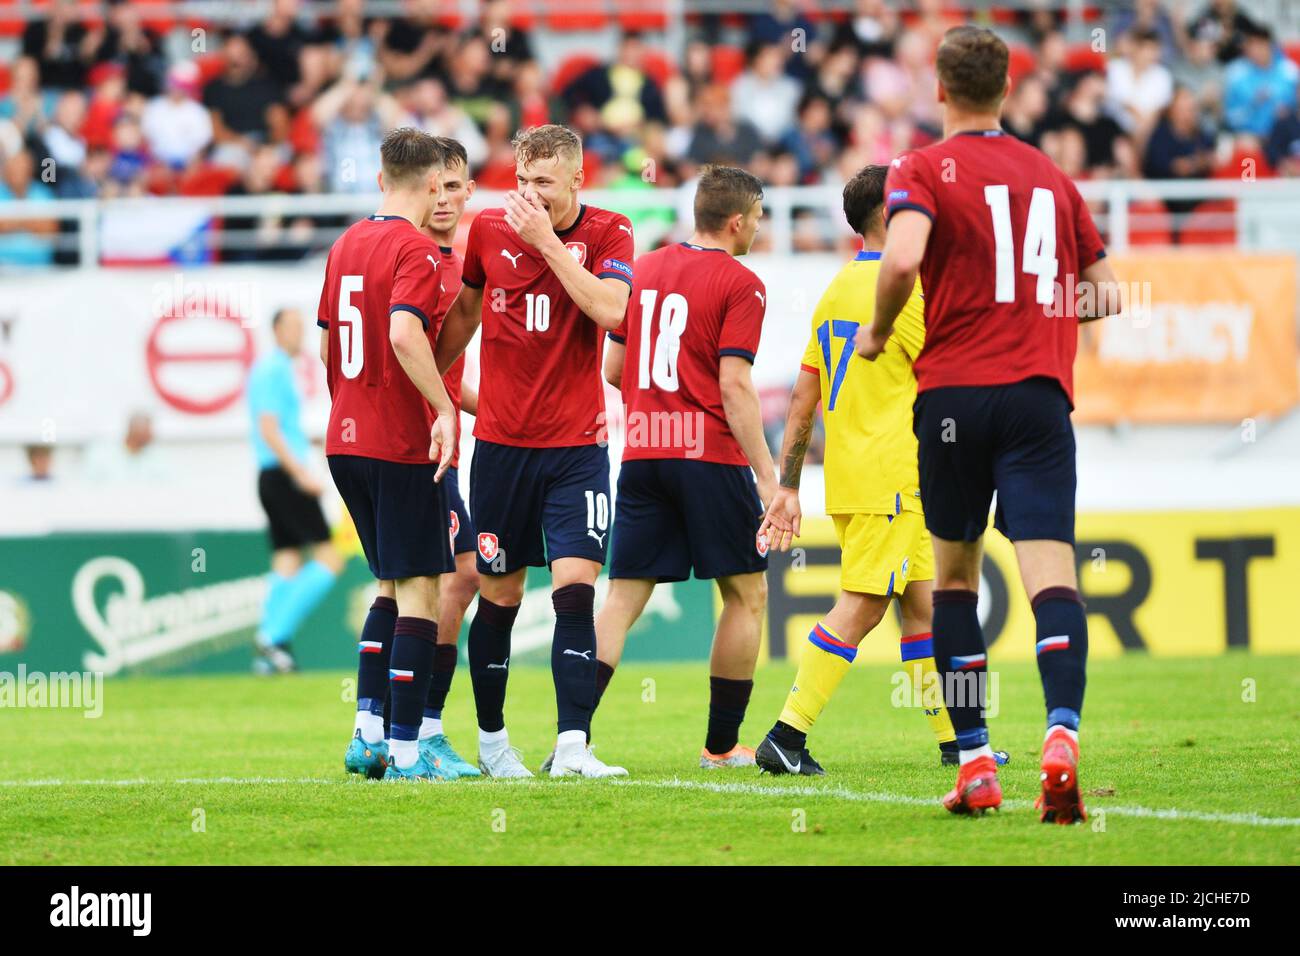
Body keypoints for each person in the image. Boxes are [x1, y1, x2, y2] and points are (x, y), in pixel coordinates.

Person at [856, 26, 1121, 823]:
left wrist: (876, 331)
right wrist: (1039, 310)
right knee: (1054, 579)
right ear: (1008, 87)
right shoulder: (1051, 177)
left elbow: (902, 259)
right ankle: (1062, 733)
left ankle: (974, 758)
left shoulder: (922, 168)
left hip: (955, 402)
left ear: (939, 89)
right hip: (1040, 397)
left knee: (956, 582)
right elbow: (1107, 295)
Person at [757, 165, 978, 776]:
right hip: (895, 474)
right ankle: (786, 734)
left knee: (925, 607)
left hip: (857, 476)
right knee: (862, 606)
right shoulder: (902, 286)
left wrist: (792, 483)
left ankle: (958, 740)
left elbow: (804, 396)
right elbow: (953, 372)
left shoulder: (836, 290)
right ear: (889, 214)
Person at [434, 125, 634, 779]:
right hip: (499, 451)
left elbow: (613, 313)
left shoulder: (610, 231)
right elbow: (461, 320)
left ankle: (573, 746)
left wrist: (547, 244)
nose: (529, 195)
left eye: (544, 182)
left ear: (578, 178)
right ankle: (493, 746)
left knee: (575, 589)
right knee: (499, 594)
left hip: (576, 448)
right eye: (522, 181)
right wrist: (436, 396)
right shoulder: (488, 231)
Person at [589, 165, 776, 772]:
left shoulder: (643, 270)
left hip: (643, 451)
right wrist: (770, 478)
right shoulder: (742, 282)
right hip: (709, 457)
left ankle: (572, 739)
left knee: (620, 600)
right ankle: (721, 746)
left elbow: (613, 372)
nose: (759, 228)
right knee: (745, 596)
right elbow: (735, 384)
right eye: (759, 217)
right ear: (738, 221)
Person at [325, 128, 459, 782]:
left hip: (343, 438)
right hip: (396, 440)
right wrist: (444, 407)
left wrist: (348, 404)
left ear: (381, 180)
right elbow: (405, 333)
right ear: (434, 184)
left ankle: (366, 732)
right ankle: (406, 753)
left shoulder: (346, 243)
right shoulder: (416, 250)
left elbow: (328, 345)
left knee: (385, 584)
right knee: (421, 593)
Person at [406, 135, 481, 778]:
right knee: (451, 575)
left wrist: (484, 409)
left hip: (441, 440)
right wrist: (445, 412)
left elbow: (443, 367)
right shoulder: (417, 258)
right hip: (414, 444)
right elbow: (407, 351)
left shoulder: (459, 260)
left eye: (456, 186)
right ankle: (419, 729)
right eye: (438, 185)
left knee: (443, 578)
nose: (445, 198)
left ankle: (383, 724)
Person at [246, 307, 344, 674]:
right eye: (291, 327)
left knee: (286, 559)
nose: (298, 334)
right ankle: (273, 634)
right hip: (285, 477)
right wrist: (300, 471)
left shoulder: (270, 369)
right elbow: (269, 428)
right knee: (329, 559)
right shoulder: (273, 369)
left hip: (270, 477)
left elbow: (279, 427)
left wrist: (311, 443)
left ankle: (268, 655)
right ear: (274, 330)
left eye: (301, 328)